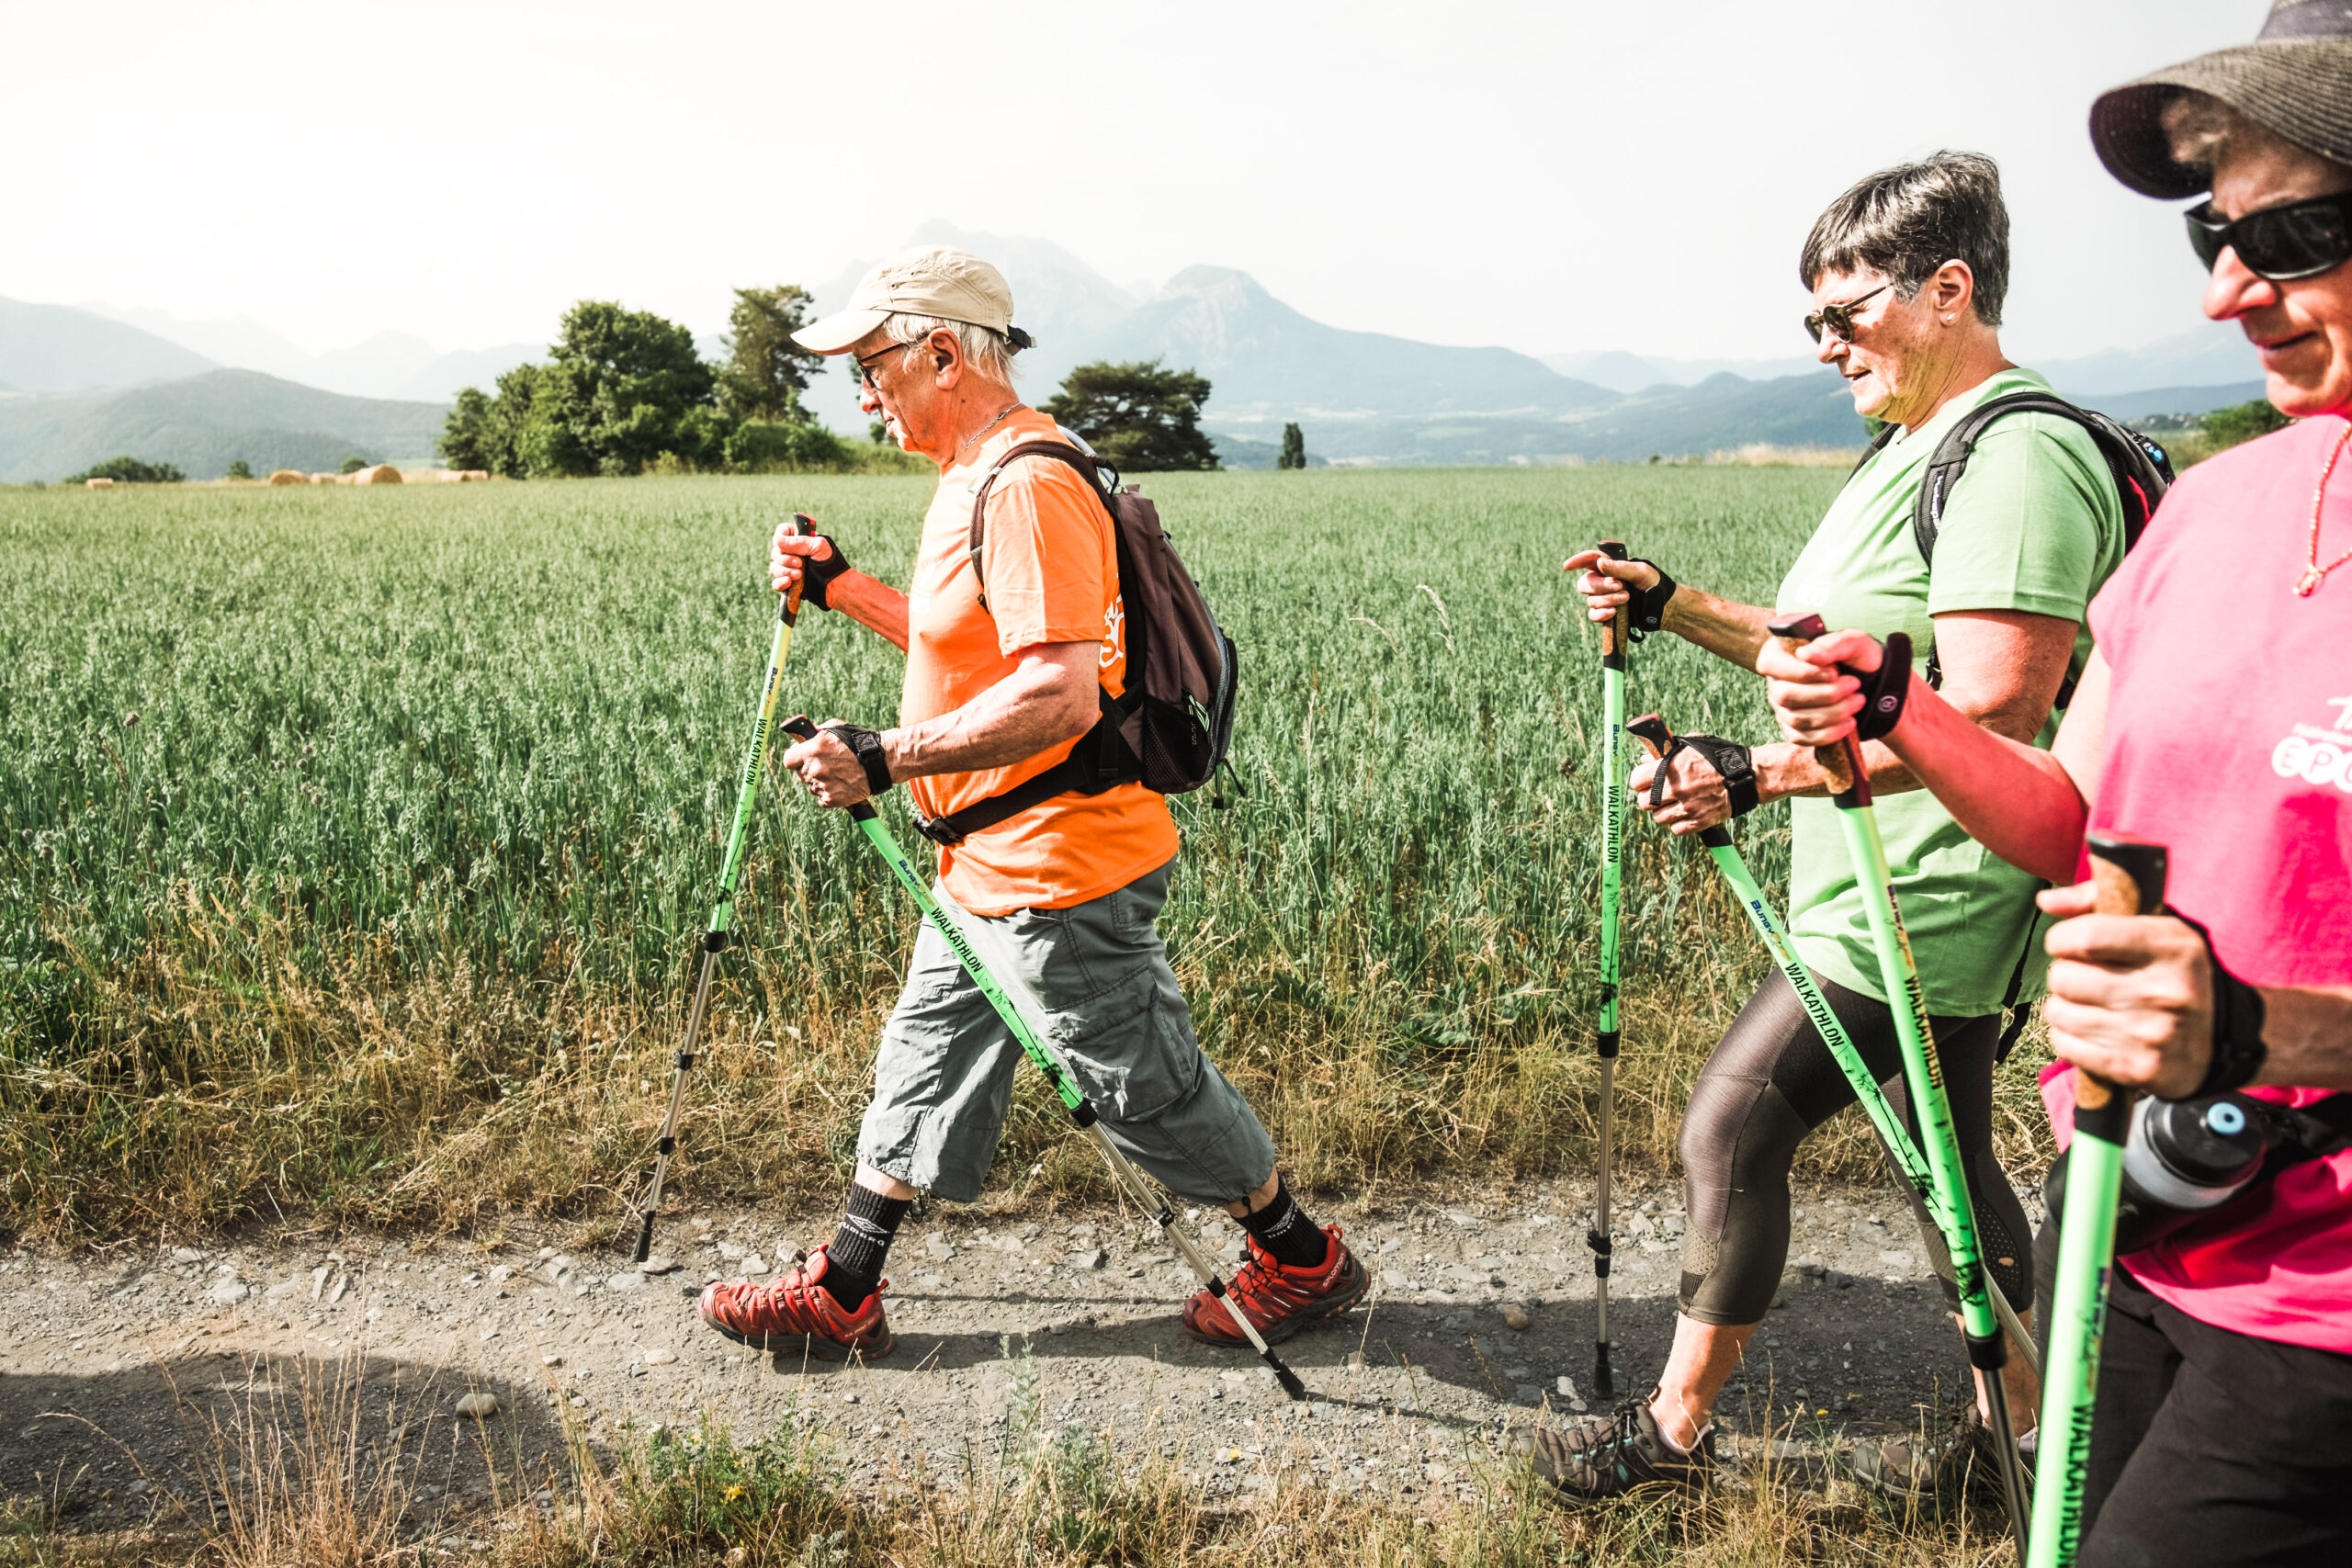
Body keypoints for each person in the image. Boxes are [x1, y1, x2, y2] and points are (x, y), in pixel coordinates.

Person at [1761, 8, 2352, 1559]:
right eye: (2214, 235)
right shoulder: (2224, 507)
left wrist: (2265, 1034)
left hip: (2330, 1295)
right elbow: (2068, 823)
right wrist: (1904, 711)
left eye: (2296, 232)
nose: (2232, 289)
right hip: (2135, 1209)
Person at [1535, 151, 2128, 1499]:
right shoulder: (1913, 444)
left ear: (1948, 291)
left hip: (1928, 892)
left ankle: (1672, 1434)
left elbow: (1993, 709)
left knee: (1734, 1124)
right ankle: (2030, 1438)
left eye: (1844, 311)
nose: (1823, 344)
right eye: (1809, 319)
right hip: (1875, 878)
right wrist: (1673, 598)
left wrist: (1752, 773)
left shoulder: (2018, 454)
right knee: (1944, 1154)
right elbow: (1829, 658)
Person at [694, 244, 1366, 1363]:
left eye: (872, 366)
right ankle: (846, 1287)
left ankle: (1299, 1260)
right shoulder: (975, 474)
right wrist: (840, 586)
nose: (861, 393)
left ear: (942, 354)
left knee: (1144, 1085)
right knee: (923, 1053)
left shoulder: (1028, 484)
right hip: (984, 860)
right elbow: (987, 651)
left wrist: (885, 755)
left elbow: (1056, 694)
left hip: (1062, 868)